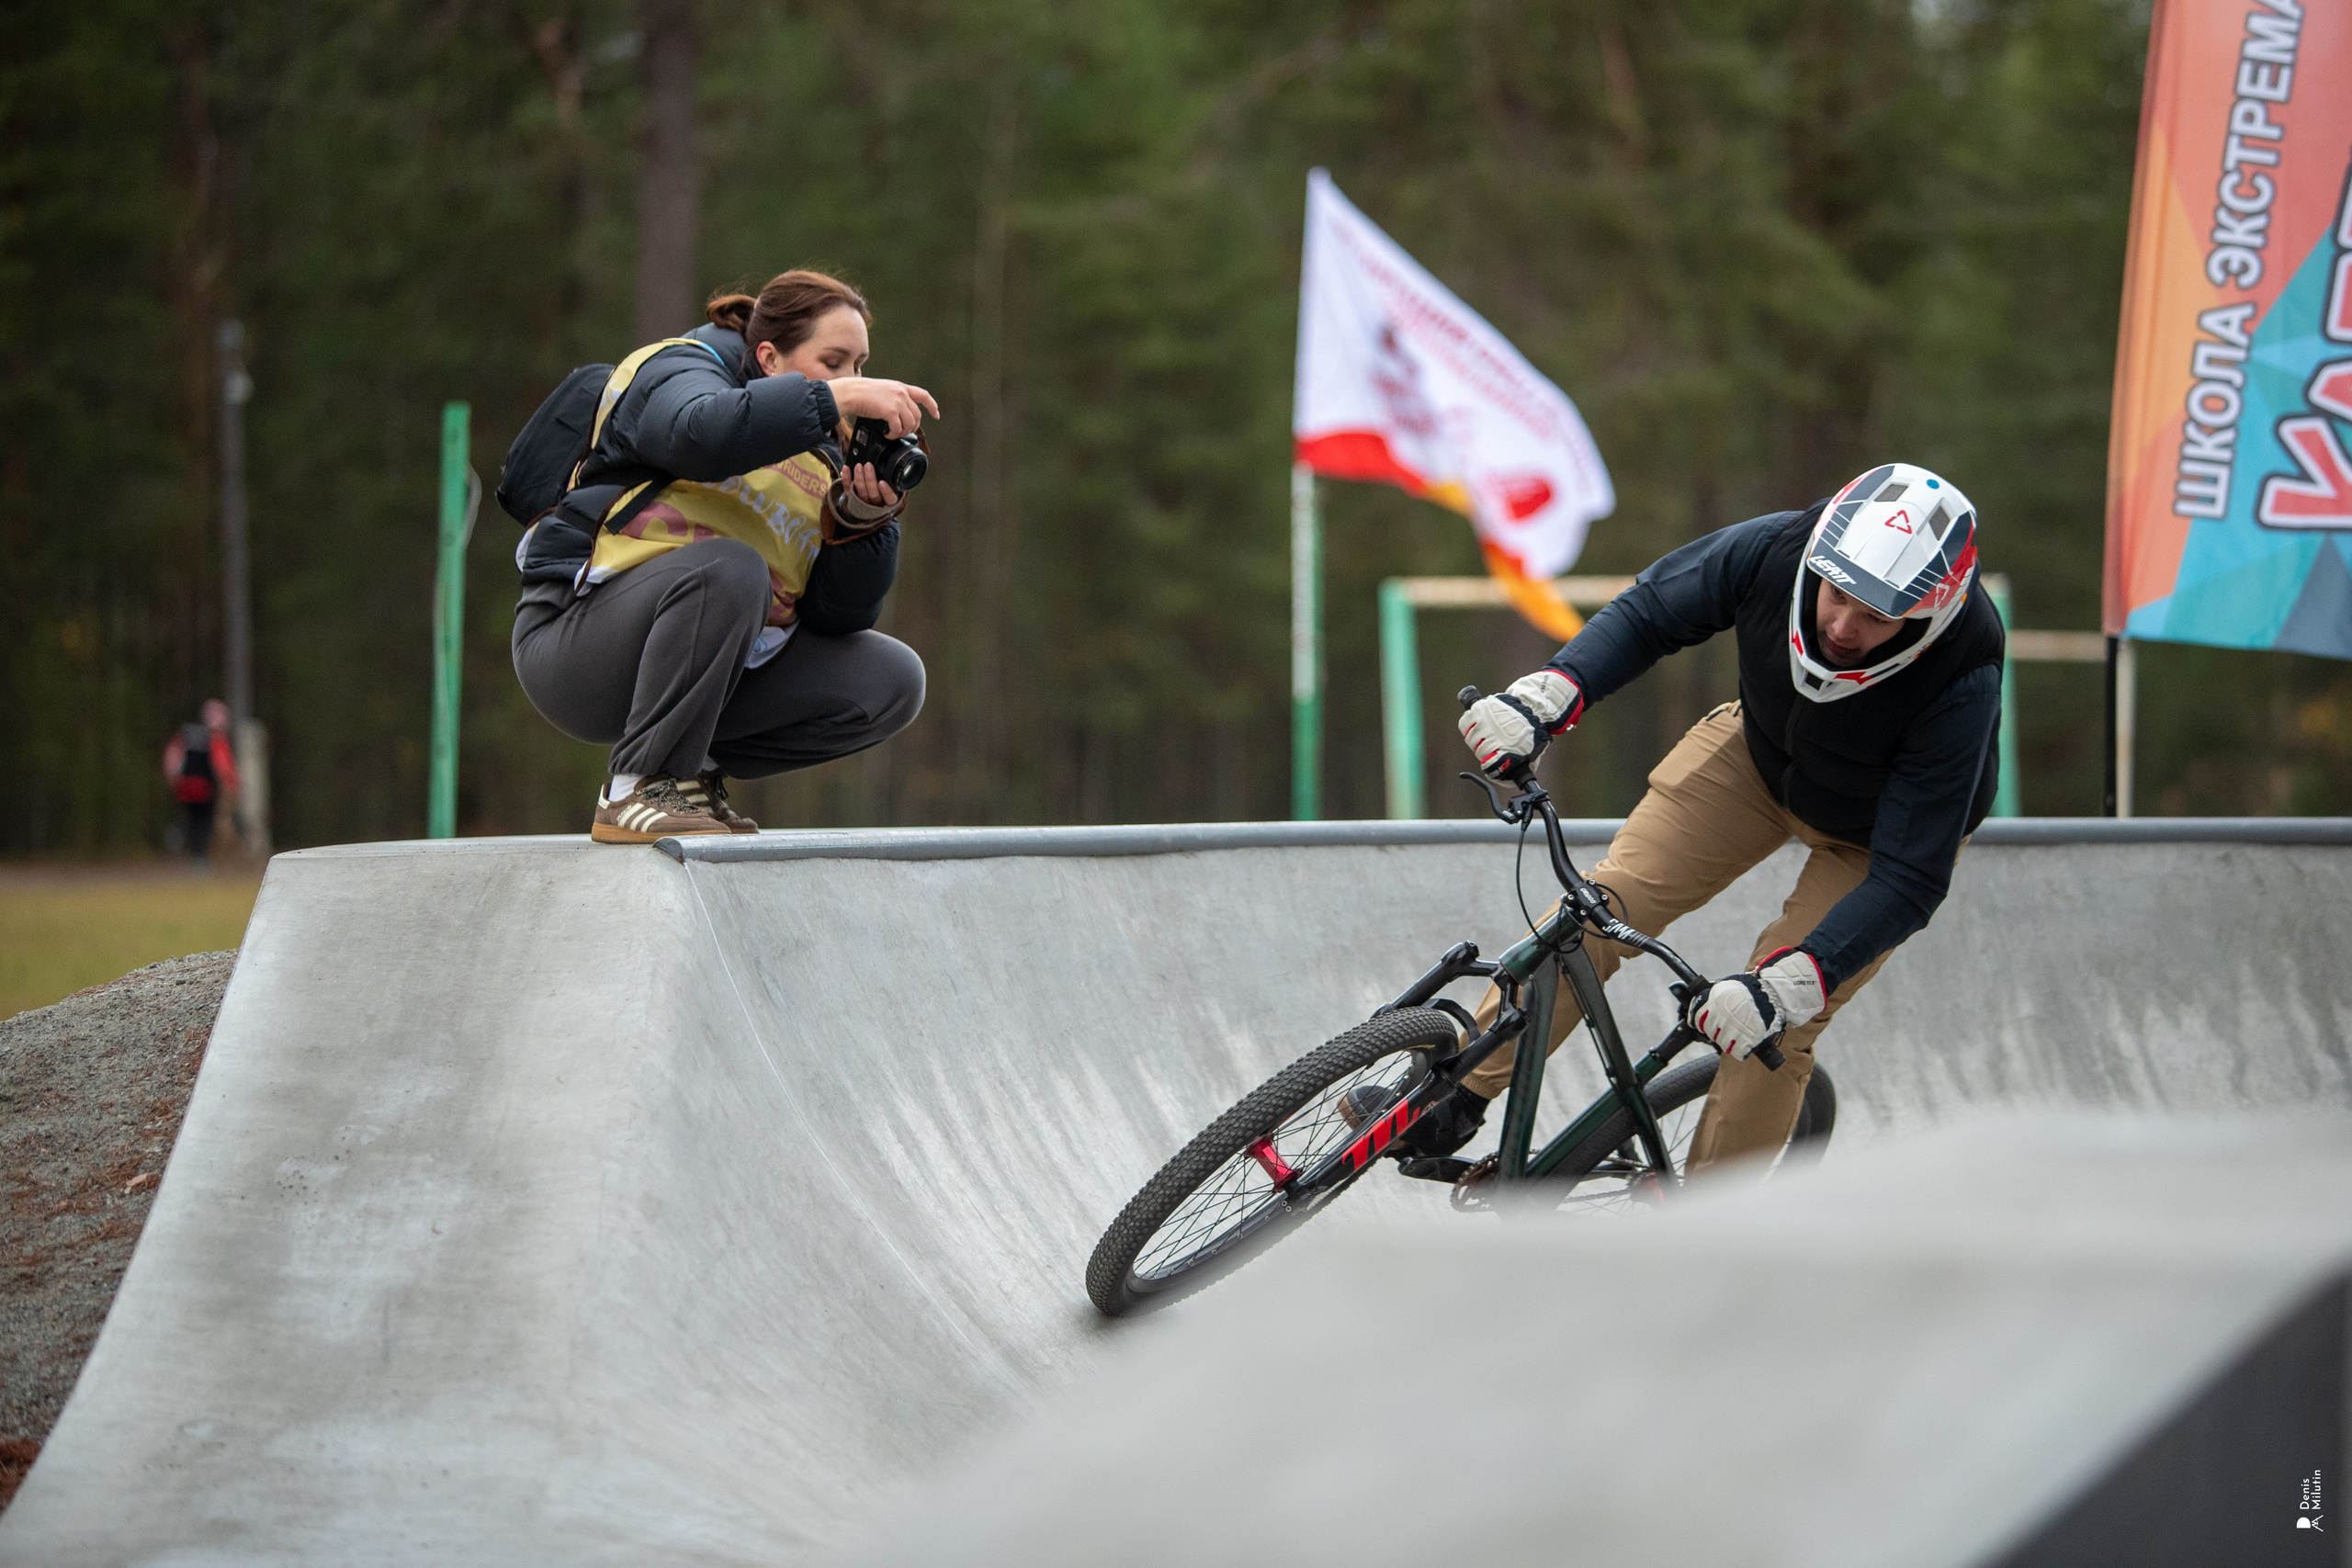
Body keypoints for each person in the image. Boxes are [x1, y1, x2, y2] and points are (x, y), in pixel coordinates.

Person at [1406, 461, 2002, 1173]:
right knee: (1600, 908)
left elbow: (1910, 876)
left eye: (1876, 617)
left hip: (1876, 838)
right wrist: (1550, 692)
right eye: (1836, 594)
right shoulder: (1780, 549)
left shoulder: (1963, 674)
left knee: (1775, 1019)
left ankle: (1711, 1226)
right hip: (1756, 759)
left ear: (1929, 615)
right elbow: (1650, 612)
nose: (1842, 625)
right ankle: (1457, 1093)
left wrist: (1797, 977)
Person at [512, 269, 937, 842]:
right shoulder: (678, 370)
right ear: (768, 356)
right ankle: (636, 786)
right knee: (731, 568)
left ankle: (693, 772)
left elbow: (838, 619)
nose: (855, 382)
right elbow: (698, 435)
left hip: (709, 672)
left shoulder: (826, 453)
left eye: (860, 367)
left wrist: (861, 519)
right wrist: (833, 396)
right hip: (575, 642)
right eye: (834, 361)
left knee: (891, 681)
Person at [162, 699, 241, 861]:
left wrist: (173, 780)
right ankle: (200, 856)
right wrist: (232, 784)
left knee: (191, 818)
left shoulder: (186, 734)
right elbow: (222, 765)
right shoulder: (215, 738)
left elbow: (171, 758)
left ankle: (180, 834)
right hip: (205, 786)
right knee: (205, 821)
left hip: (186, 786)